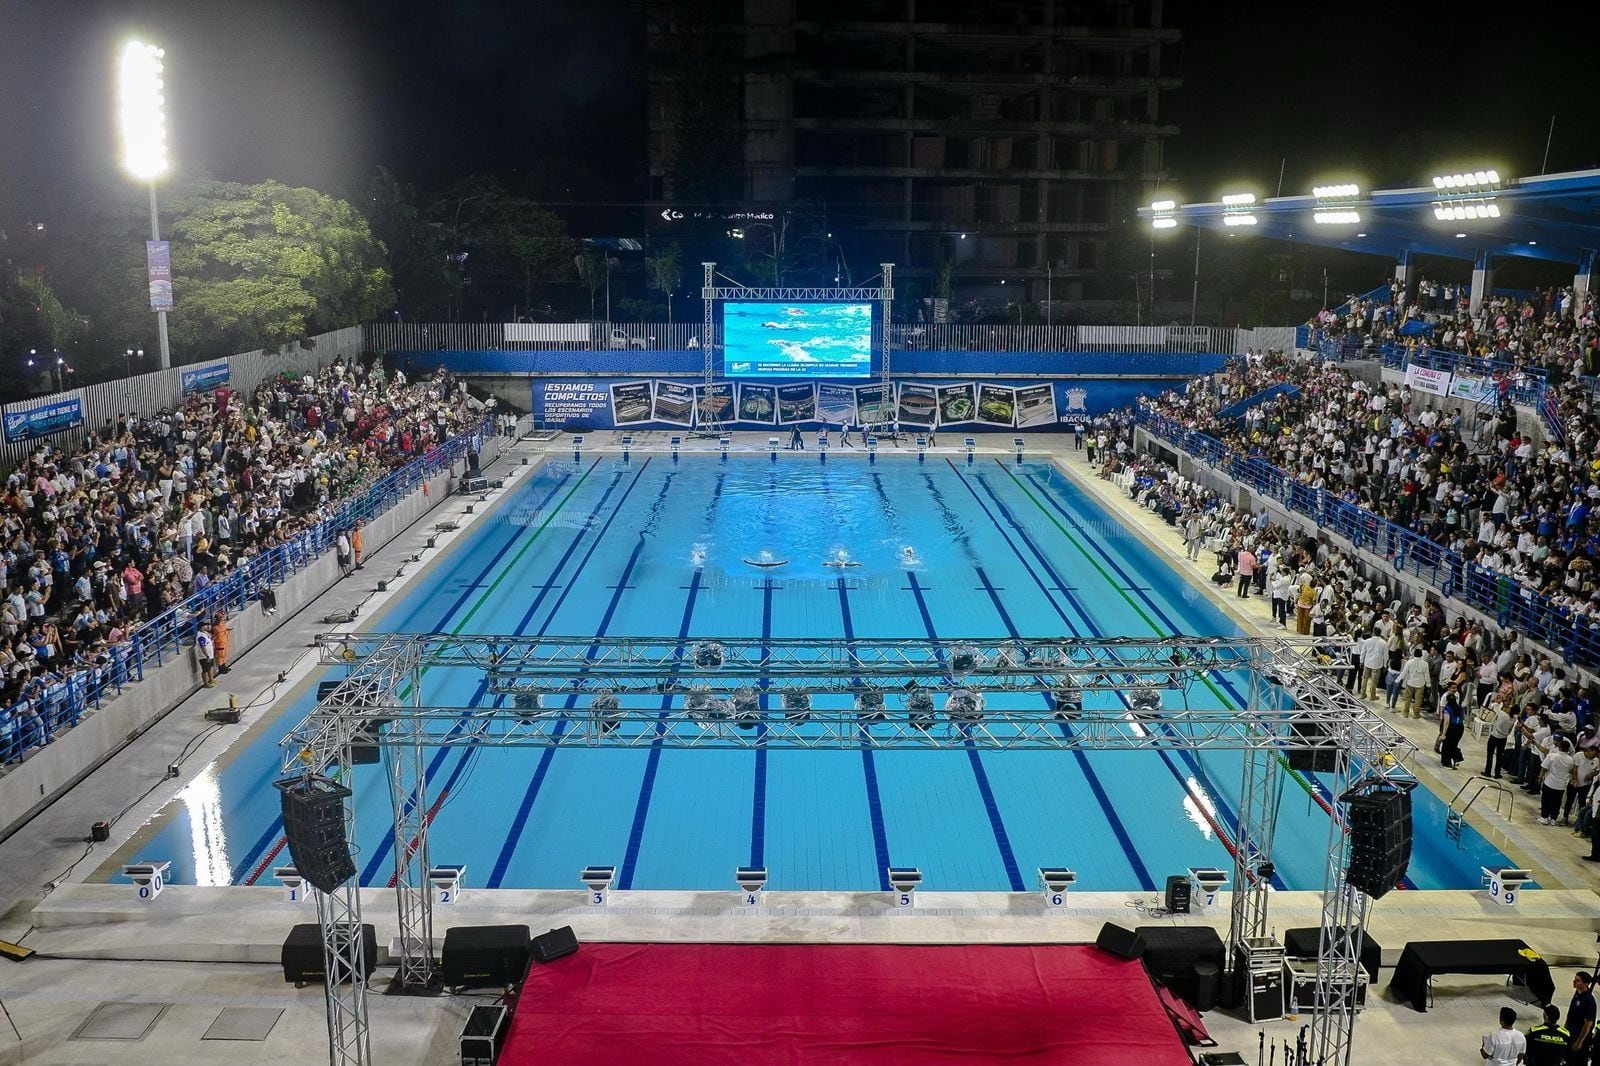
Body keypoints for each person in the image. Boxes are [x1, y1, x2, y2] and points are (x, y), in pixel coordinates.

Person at [1539, 738, 1576, 825]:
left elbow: (1544, 767)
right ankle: (1553, 818)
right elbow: (1571, 770)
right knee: (1556, 802)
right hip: (1561, 785)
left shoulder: (1552, 756)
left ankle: (1544, 817)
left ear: (1559, 747)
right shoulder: (1570, 760)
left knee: (1546, 800)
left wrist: (1540, 777)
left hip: (1549, 782)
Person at [1567, 972, 1596, 1062]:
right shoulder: (1577, 993)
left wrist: (1579, 1042)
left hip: (1580, 1038)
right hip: (1572, 1033)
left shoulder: (1588, 1000)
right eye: (1575, 979)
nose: (1574, 981)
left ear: (1586, 984)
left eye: (1578, 980)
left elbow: (1588, 1023)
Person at [211, 612, 230, 676]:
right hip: (219, 643)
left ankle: (224, 667)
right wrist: (224, 631)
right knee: (220, 656)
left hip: (224, 642)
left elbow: (224, 630)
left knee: (224, 655)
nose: (223, 618)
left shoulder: (222, 624)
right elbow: (219, 632)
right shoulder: (215, 626)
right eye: (222, 617)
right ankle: (221, 669)